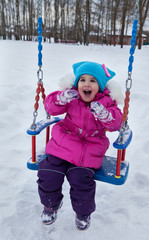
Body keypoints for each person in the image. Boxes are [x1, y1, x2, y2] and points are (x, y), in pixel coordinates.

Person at [37, 61, 122, 230]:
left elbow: (116, 123)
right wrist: (61, 98)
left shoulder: (107, 103)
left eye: (93, 80)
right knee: (48, 172)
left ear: (100, 86)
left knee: (81, 181)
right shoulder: (71, 97)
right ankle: (50, 205)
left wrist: (104, 115)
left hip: (89, 149)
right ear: (77, 83)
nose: (86, 84)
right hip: (63, 144)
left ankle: (83, 213)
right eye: (82, 80)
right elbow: (50, 107)